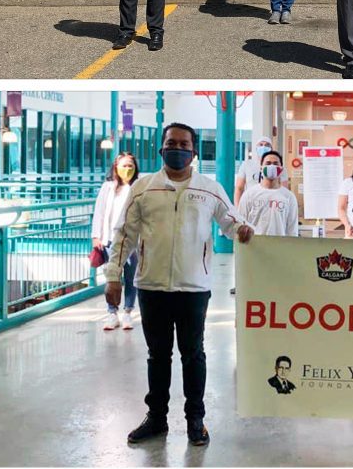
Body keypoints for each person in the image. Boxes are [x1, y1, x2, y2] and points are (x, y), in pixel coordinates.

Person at [104, 122, 254, 446]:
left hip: (193, 289)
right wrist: (114, 277)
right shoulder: (143, 188)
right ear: (161, 148)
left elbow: (232, 223)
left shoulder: (209, 189)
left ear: (194, 150)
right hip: (151, 287)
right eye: (172, 142)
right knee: (158, 356)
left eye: (185, 144)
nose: (178, 148)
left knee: (193, 355)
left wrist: (243, 230)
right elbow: (124, 236)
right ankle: (156, 419)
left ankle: (195, 419)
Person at [91, 152, 140, 331]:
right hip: (110, 240)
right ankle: (112, 313)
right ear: (115, 168)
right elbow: (100, 212)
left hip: (132, 241)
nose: (126, 169)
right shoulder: (108, 187)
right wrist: (97, 236)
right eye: (123, 165)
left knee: (131, 277)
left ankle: (127, 312)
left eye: (130, 166)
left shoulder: (138, 186)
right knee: (112, 278)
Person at [236, 150, 299, 237]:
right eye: (268, 163)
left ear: (281, 168)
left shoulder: (289, 197)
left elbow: (292, 230)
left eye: (276, 163)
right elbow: (240, 224)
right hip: (254, 247)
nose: (272, 166)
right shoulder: (249, 194)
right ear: (261, 167)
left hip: (279, 247)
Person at [234, 136, 274, 201]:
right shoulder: (247, 165)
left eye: (267, 145)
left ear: (271, 149)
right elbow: (239, 188)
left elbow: (283, 190)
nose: (263, 147)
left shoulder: (277, 167)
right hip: (250, 203)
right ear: (256, 148)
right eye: (261, 145)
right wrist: (238, 208)